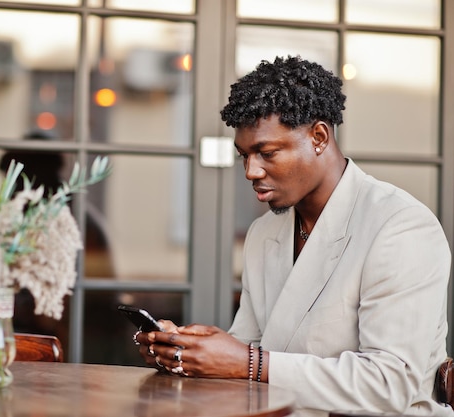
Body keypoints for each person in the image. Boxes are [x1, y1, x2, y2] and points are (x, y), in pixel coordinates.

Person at [134, 56, 453, 416]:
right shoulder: (265, 232)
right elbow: (250, 350)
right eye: (244, 155)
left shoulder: (401, 227)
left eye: (267, 153)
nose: (251, 171)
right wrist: (190, 352)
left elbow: (387, 386)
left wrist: (248, 362)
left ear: (319, 137)